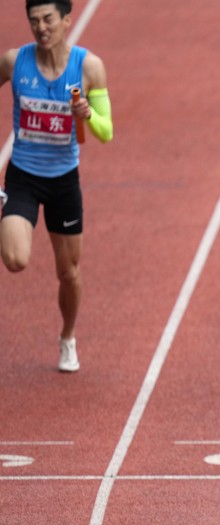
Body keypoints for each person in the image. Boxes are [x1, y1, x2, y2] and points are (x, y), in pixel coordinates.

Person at [0, 0, 113, 372]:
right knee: (15, 260)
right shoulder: (15, 62)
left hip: (64, 182)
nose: (41, 27)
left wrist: (89, 114)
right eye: (33, 21)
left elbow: (106, 133)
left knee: (68, 273)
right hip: (23, 178)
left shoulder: (89, 67)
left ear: (67, 20)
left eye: (48, 19)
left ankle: (67, 337)